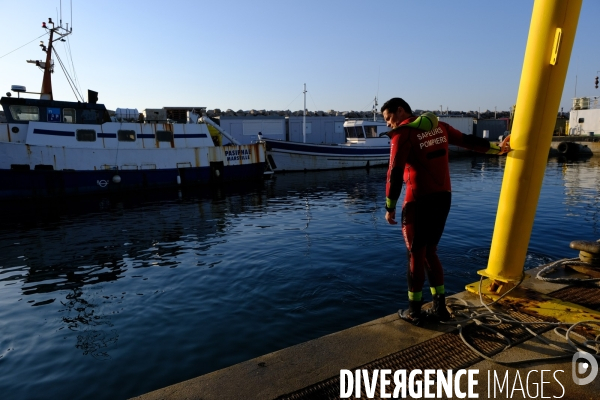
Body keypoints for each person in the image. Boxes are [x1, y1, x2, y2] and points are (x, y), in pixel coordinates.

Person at [380, 97, 510, 325]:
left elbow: (394, 173)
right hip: (443, 199)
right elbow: (468, 141)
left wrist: (389, 206)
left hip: (417, 202)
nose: (389, 124)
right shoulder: (439, 126)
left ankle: (415, 312)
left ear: (400, 111)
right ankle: (440, 308)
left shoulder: (403, 134)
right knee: (431, 252)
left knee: (415, 255)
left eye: (389, 118)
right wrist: (497, 149)